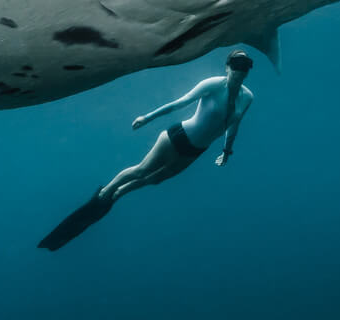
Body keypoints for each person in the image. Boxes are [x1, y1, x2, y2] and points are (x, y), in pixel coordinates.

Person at [38, 50, 255, 250]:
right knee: (143, 170)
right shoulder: (214, 85)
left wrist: (227, 151)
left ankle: (118, 194)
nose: (240, 69)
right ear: (227, 66)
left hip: (196, 150)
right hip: (178, 136)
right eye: (236, 63)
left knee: (156, 179)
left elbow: (234, 126)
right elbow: (180, 103)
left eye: (245, 65)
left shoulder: (247, 98)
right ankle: (105, 193)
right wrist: (147, 118)